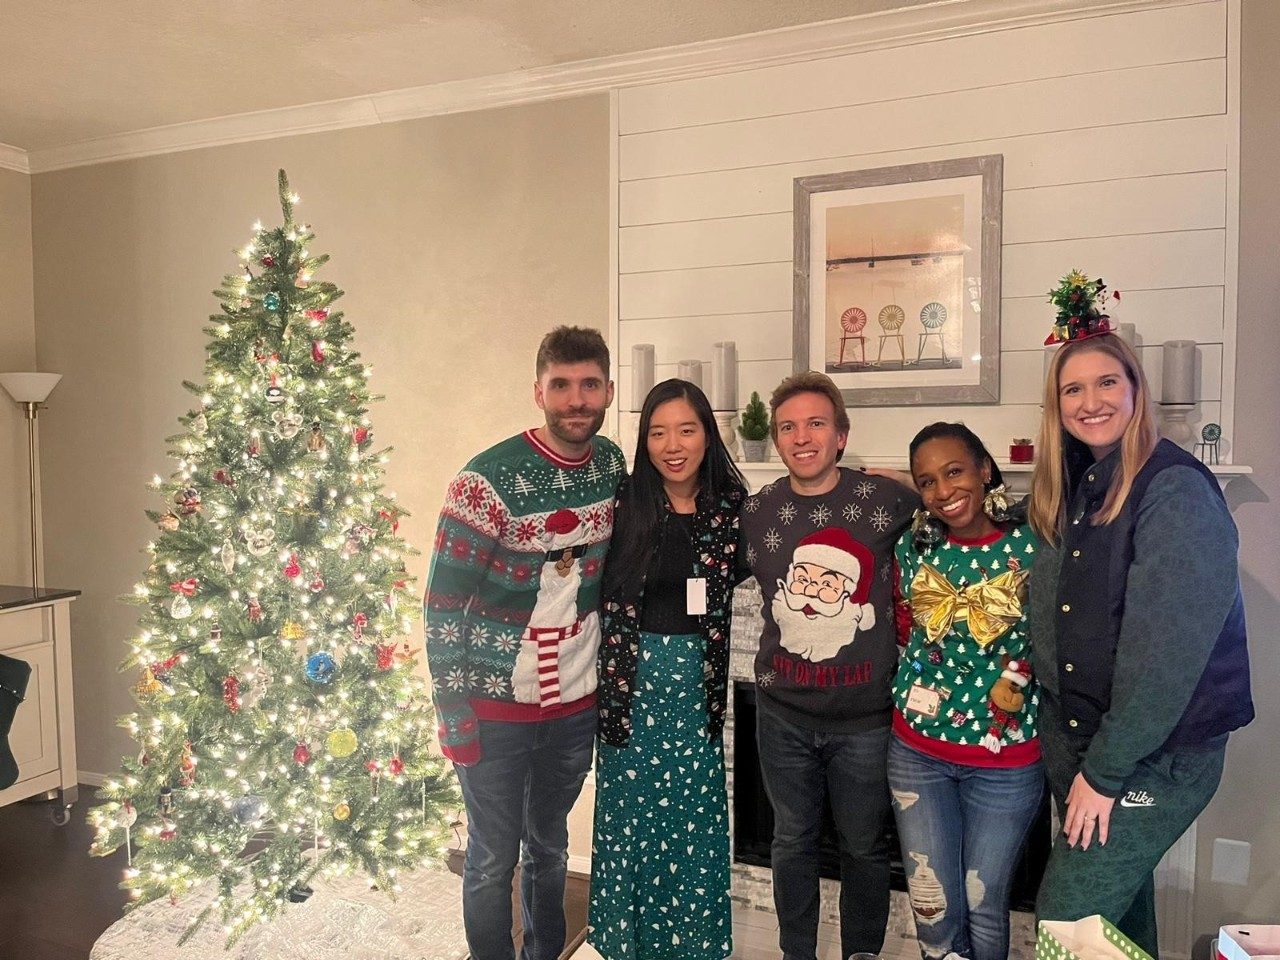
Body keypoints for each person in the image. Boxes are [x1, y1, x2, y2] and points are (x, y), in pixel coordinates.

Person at [1027, 291, 1253, 957]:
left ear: (1136, 390)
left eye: (1107, 382)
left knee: (1067, 920)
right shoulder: (1081, 484)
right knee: (1118, 918)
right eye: (1072, 389)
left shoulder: (1175, 491)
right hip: (1086, 742)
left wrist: (1103, 775)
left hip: (1153, 761)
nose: (1090, 401)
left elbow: (1163, 659)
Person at [424, 326, 625, 960]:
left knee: (552, 847)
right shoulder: (484, 483)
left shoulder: (612, 466)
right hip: (495, 716)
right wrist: (454, 715)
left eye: (589, 384)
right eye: (560, 385)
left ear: (609, 391)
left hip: (573, 710)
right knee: (491, 858)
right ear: (538, 392)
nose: (576, 400)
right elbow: (442, 607)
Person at [738, 371, 918, 960]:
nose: (802, 437)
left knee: (864, 847)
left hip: (865, 719)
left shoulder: (884, 501)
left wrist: (909, 479)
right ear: (776, 439)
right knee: (791, 840)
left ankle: (861, 952)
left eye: (816, 424)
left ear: (841, 435)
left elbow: (958, 498)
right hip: (782, 715)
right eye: (788, 427)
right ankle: (797, 952)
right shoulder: (758, 511)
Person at [589, 378, 747, 960]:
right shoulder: (623, 505)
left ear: (708, 434)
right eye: (658, 433)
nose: (672, 445)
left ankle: (693, 947)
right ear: (644, 440)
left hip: (695, 704)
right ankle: (628, 947)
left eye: (686, 430)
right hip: (629, 698)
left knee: (691, 829)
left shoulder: (732, 510)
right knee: (631, 828)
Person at [888, 422, 1042, 960]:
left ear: (985, 469)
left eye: (954, 472)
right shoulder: (913, 547)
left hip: (1005, 758)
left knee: (984, 904)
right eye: (926, 481)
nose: (943, 491)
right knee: (932, 907)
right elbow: (905, 627)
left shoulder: (1034, 544)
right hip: (916, 753)